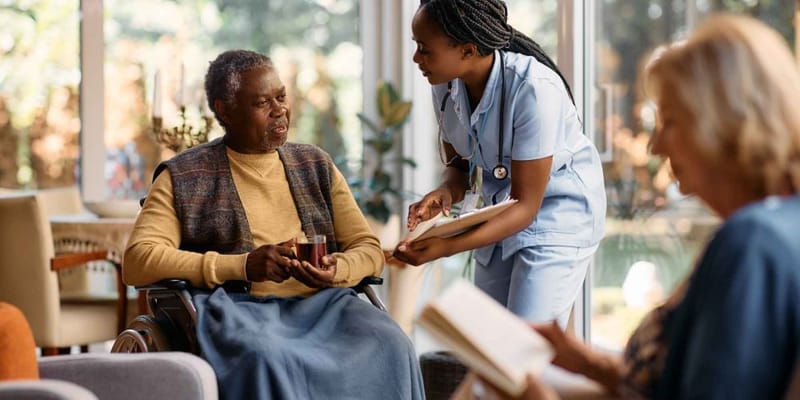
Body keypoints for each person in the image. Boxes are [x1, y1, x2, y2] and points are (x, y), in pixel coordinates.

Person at [464, 14, 800, 399]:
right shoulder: (781, 225)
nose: (656, 146)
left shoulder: (753, 244)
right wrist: (589, 362)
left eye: (669, 122)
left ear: (728, 125)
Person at [123, 50, 424, 400]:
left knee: (392, 342)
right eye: (263, 102)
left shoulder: (315, 164)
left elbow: (368, 249)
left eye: (281, 97)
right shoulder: (184, 175)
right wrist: (242, 266)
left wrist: (337, 269)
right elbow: (139, 259)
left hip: (325, 305)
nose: (279, 110)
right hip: (237, 311)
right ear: (225, 110)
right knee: (266, 356)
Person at [393, 0, 606, 328]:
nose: (416, 58)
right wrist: (445, 192)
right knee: (490, 340)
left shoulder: (533, 89)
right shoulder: (445, 84)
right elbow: (460, 165)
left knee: (524, 342)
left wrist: (446, 246)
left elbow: (526, 205)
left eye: (425, 49)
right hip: (501, 210)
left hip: (556, 212)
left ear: (467, 50)